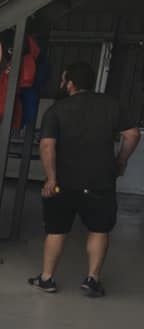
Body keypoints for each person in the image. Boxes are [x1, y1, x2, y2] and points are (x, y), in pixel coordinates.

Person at [29, 62, 141, 296]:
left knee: (56, 230)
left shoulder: (57, 110)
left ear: (70, 83)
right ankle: (92, 280)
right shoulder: (112, 106)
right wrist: (120, 161)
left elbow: (48, 145)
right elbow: (132, 134)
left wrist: (51, 178)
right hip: (101, 181)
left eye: (63, 80)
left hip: (63, 182)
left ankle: (47, 278)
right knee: (99, 230)